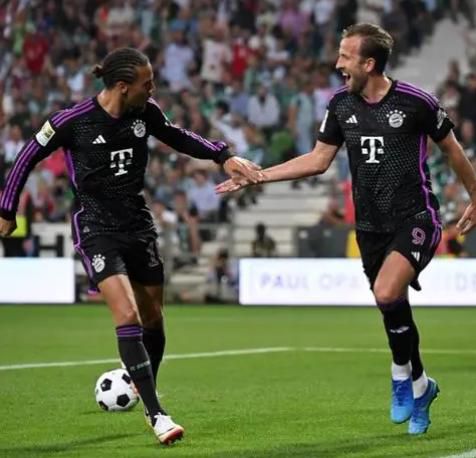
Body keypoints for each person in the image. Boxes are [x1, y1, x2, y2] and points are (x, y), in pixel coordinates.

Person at [216, 23, 476, 435]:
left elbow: (453, 151)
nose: (338, 64)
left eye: (345, 57)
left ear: (368, 63)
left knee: (387, 292)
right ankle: (422, 387)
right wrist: (259, 176)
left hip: (415, 217)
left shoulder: (416, 103)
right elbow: (318, 159)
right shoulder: (341, 105)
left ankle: (398, 376)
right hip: (369, 226)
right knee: (393, 308)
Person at [0, 47, 261, 445]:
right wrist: (6, 209)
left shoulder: (146, 112)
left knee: (154, 318)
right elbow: (24, 158)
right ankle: (157, 414)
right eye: (146, 83)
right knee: (128, 315)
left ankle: (143, 385)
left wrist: (223, 156)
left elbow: (178, 136)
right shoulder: (72, 122)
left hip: (138, 226)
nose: (152, 88)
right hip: (96, 227)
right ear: (123, 87)